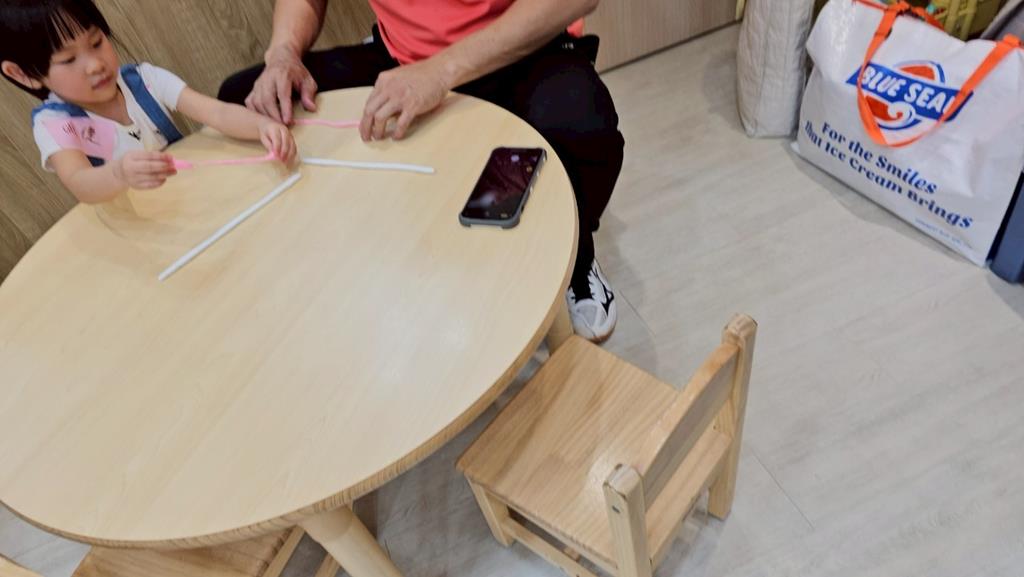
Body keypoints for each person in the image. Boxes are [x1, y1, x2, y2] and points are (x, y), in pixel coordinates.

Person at [218, 0, 625, 342]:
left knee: (579, 126)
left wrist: (441, 71)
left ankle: (574, 258)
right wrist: (284, 52)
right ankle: (333, 266)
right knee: (246, 103)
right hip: (402, 58)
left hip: (523, 50)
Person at [0, 0, 297, 205]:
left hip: (191, 199)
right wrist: (118, 174)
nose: (95, 65)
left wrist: (262, 126)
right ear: (23, 74)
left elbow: (216, 113)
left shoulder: (144, 80)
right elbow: (80, 182)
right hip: (141, 228)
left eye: (97, 42)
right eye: (68, 59)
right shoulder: (57, 124)